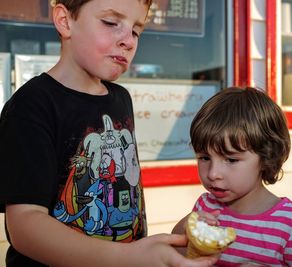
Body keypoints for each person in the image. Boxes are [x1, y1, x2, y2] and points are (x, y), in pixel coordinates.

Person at [0, 0, 217, 266]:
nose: (129, 41)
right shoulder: (32, 104)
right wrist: (127, 258)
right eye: (111, 23)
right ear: (65, 21)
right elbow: (25, 226)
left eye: (136, 30)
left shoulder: (121, 99)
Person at [172, 87, 292, 267]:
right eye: (205, 158)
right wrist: (186, 226)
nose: (213, 173)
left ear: (266, 157)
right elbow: (178, 253)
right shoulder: (205, 206)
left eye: (231, 159)